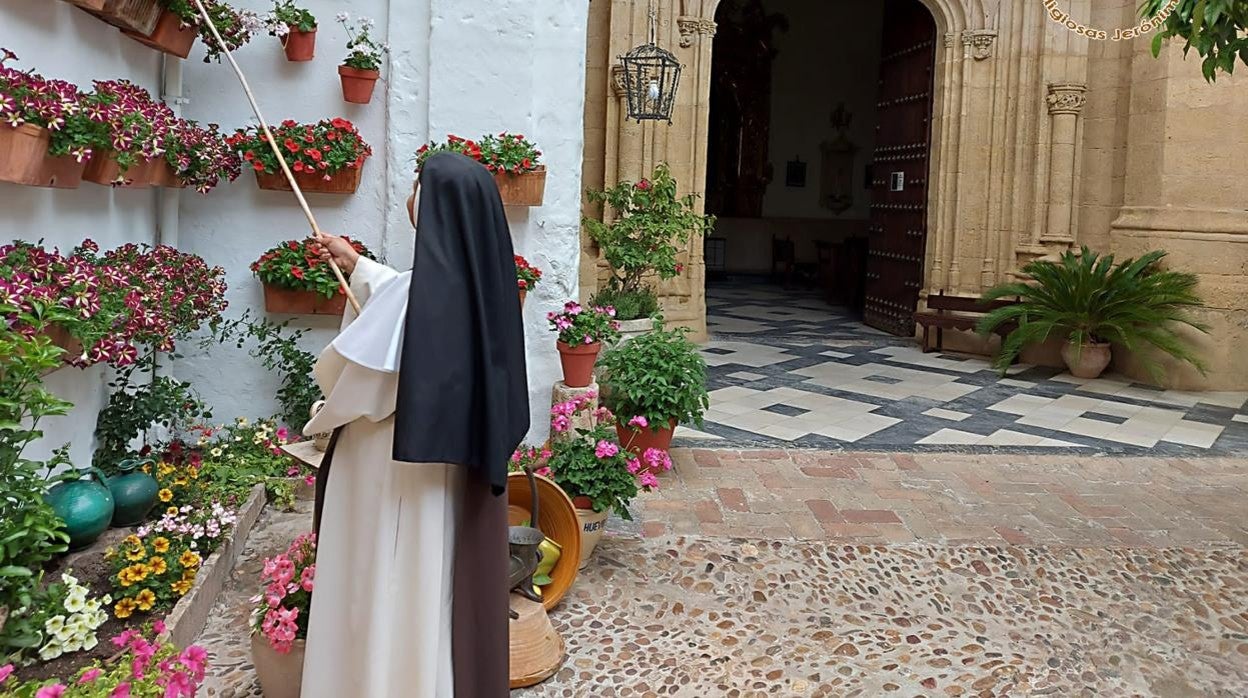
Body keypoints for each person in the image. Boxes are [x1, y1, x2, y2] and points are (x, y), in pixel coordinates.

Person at [299, 152, 529, 697]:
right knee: (428, 587)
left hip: (387, 475)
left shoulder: (413, 297)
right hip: (442, 483)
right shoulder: (480, 292)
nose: (409, 197)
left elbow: (358, 385)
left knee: (385, 580)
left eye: (415, 187)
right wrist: (357, 264)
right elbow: (409, 304)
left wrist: (322, 419)